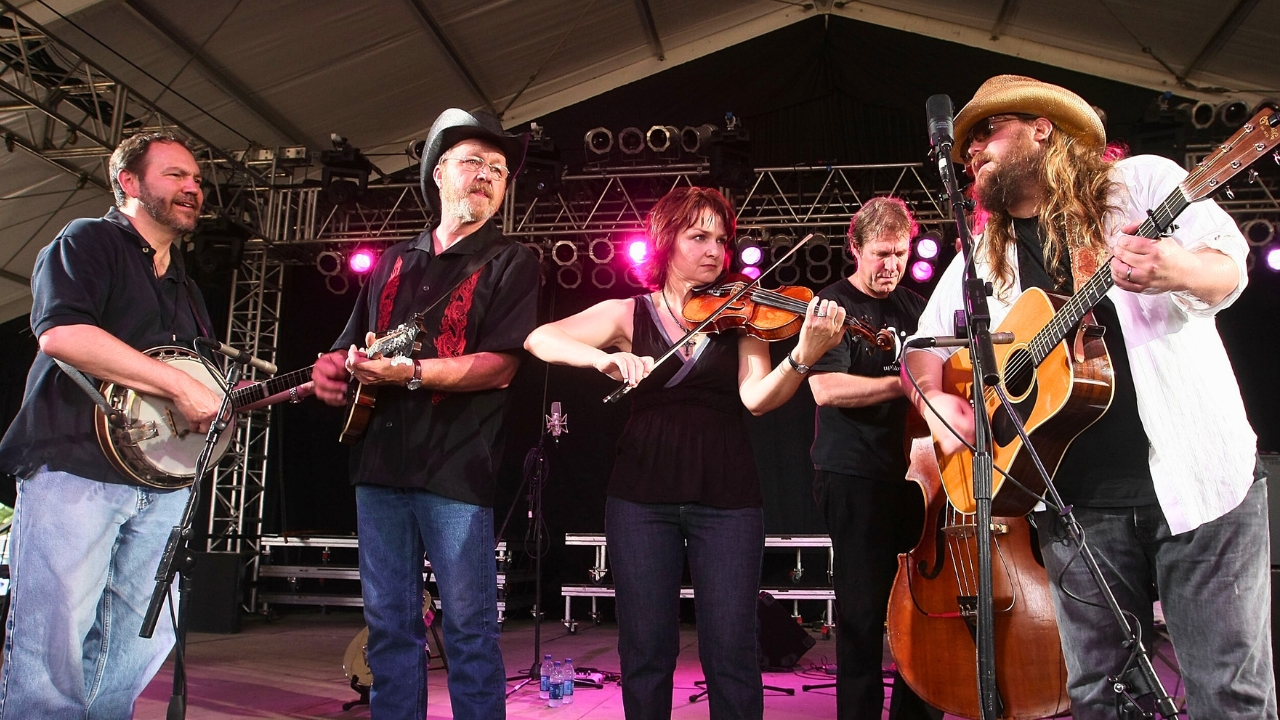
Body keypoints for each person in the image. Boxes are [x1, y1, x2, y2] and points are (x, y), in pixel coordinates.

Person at [902, 75, 1274, 718]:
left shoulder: (1140, 185)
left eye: (986, 131)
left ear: (1040, 128)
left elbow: (1228, 267)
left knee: (1229, 694)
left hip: (1198, 478)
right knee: (1099, 695)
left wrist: (1174, 268)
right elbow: (919, 350)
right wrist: (941, 409)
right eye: (964, 146)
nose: (972, 152)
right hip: (1074, 506)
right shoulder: (983, 257)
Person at [524, 186, 846, 719]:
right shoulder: (630, 313)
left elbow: (757, 398)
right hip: (640, 498)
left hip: (727, 496)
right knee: (646, 649)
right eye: (698, 237)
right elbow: (541, 338)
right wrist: (601, 362)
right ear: (665, 242)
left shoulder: (742, 313)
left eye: (721, 239)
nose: (714, 251)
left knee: (733, 649)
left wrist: (804, 359)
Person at [311, 108, 539, 720]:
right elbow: (346, 345)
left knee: (469, 630)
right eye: (474, 162)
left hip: (458, 471)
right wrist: (333, 370)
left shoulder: (513, 261)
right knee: (389, 628)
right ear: (439, 173)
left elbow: (501, 365)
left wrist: (407, 373)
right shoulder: (390, 261)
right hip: (379, 467)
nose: (488, 175)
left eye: (498, 169)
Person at [0, 132, 224, 719]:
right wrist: (179, 385)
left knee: (140, 636)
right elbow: (63, 334)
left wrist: (275, 390)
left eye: (196, 180)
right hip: (75, 464)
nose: (193, 188)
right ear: (129, 182)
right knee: (55, 638)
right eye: (176, 175)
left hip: (159, 482)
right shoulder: (88, 240)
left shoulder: (187, 286)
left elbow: (202, 386)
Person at [807, 197, 941, 720]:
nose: (892, 265)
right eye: (882, 253)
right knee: (862, 616)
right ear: (856, 248)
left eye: (901, 254)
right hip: (853, 474)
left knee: (925, 610)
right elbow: (825, 388)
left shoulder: (916, 307)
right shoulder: (831, 306)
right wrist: (903, 385)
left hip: (918, 478)